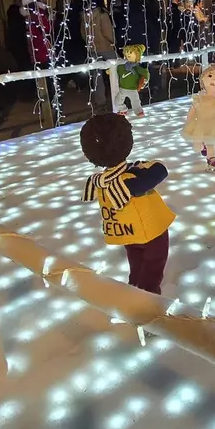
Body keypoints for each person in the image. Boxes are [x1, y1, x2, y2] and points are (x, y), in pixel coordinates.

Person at [81, 113, 175, 295]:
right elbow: (159, 170)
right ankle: (147, 297)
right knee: (154, 262)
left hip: (125, 230)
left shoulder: (100, 181)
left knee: (135, 258)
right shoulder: (129, 177)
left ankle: (134, 285)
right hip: (152, 230)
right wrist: (135, 179)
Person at [113, 44, 148, 117]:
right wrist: (110, 71)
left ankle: (139, 111)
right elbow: (118, 70)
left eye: (131, 53)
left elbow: (144, 74)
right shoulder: (122, 66)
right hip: (122, 89)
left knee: (136, 102)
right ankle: (123, 110)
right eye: (127, 52)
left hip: (133, 89)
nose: (128, 54)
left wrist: (143, 83)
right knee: (117, 101)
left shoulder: (137, 67)